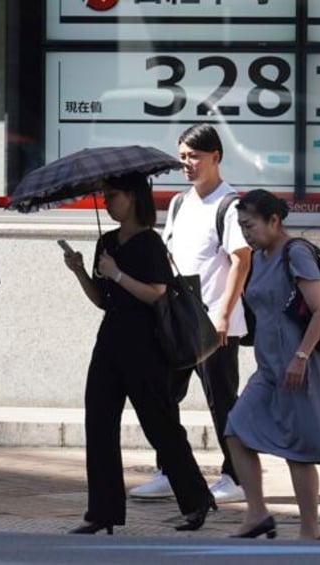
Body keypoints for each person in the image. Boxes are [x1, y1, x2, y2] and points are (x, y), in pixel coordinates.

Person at [64, 172, 215, 535]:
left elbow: (157, 292)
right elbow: (103, 299)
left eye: (112, 195)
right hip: (111, 339)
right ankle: (102, 512)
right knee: (98, 420)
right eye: (104, 195)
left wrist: (116, 274)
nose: (106, 201)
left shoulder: (149, 242)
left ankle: (196, 501)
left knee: (159, 424)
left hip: (146, 344)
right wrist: (81, 272)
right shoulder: (107, 241)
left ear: (133, 197)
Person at [131, 124, 251, 504]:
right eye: (183, 156)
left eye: (195, 156)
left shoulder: (229, 205)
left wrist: (224, 314)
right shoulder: (181, 203)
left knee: (222, 400)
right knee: (163, 396)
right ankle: (170, 469)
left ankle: (236, 476)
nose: (188, 163)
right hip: (179, 320)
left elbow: (240, 261)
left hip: (215, 323)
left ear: (216, 156)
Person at [225, 189, 320, 540]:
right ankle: (258, 513)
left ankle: (310, 531)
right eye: (241, 226)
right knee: (236, 429)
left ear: (274, 221)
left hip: (298, 363)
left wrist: (301, 357)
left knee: (300, 451)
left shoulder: (296, 253)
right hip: (269, 366)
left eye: (251, 225)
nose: (246, 233)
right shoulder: (259, 257)